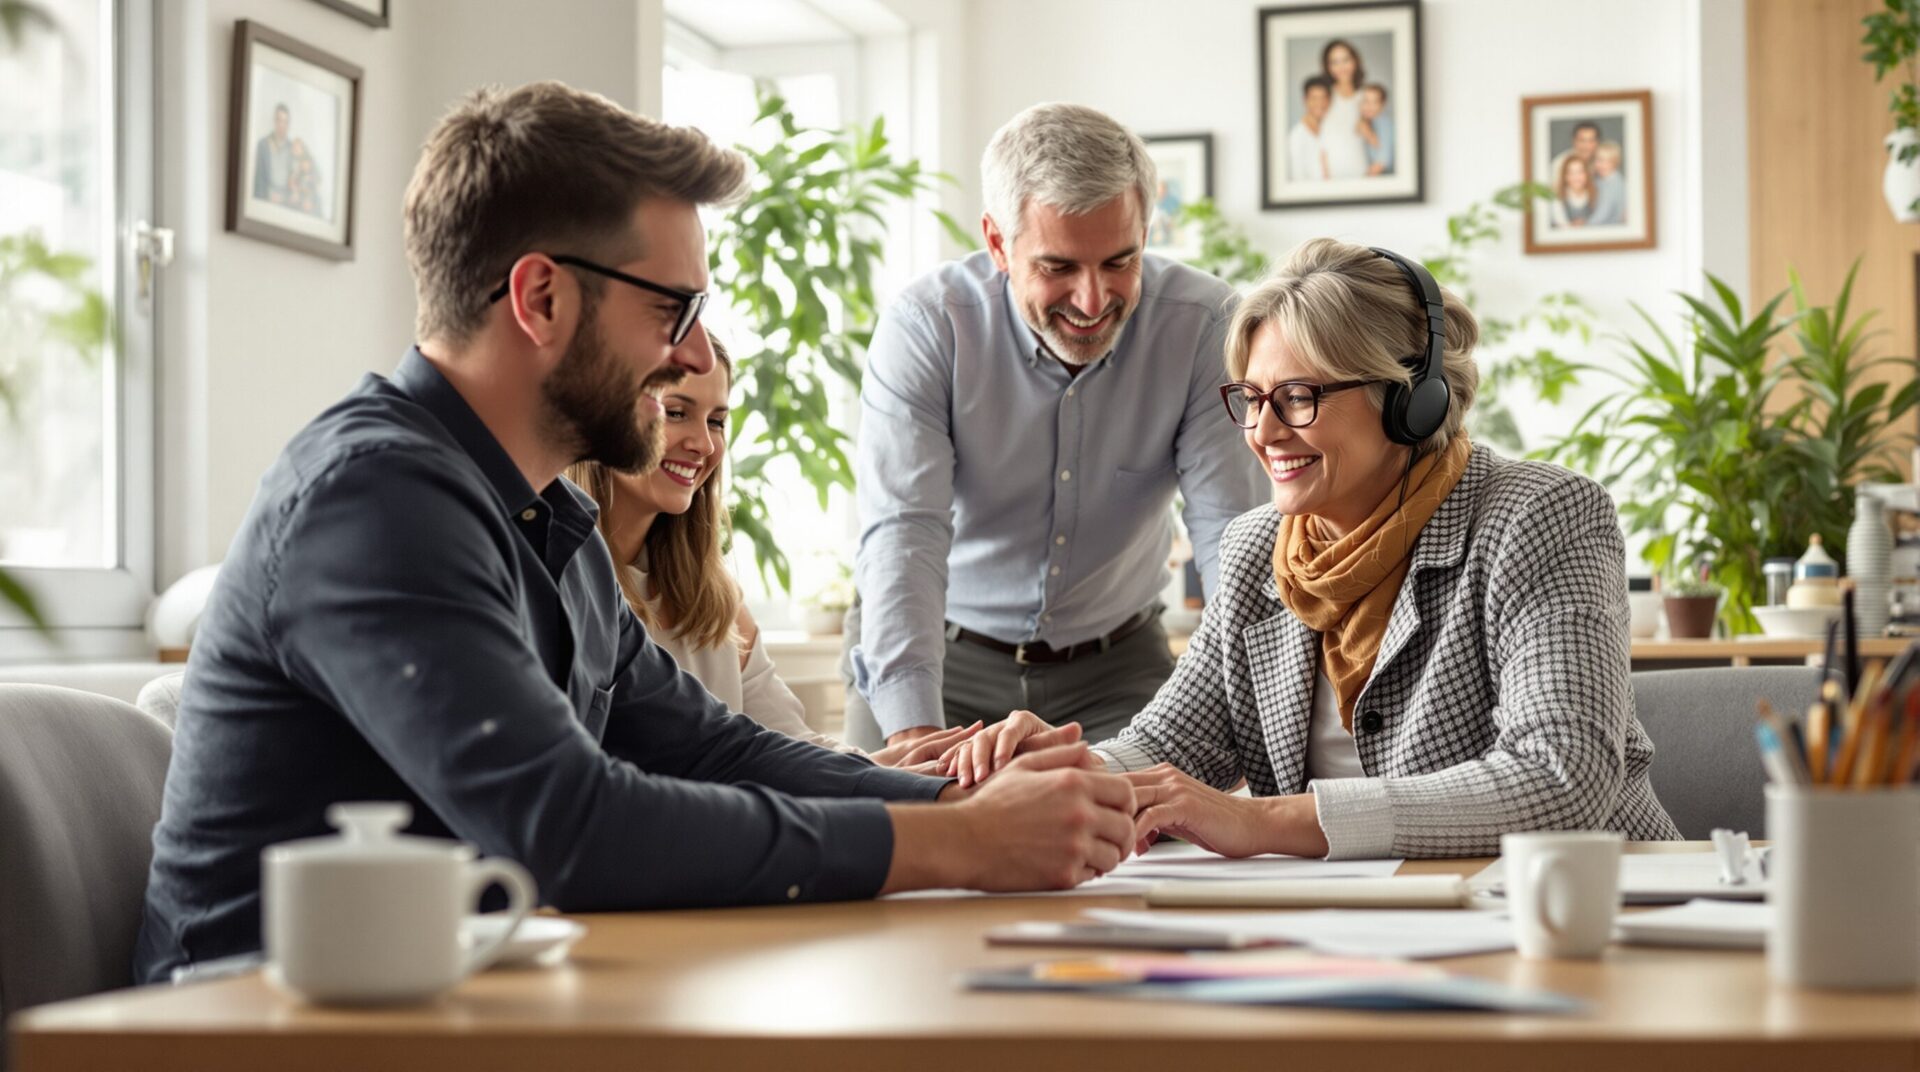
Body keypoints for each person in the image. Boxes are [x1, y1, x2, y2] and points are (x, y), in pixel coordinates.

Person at [133, 82, 1139, 984]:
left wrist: (953, 795)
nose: (695, 350)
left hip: (437, 995)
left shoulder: (543, 516)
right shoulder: (376, 500)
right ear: (541, 297)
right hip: (254, 1022)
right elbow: (570, 828)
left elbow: (706, 746)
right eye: (673, 307)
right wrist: (960, 845)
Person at [941, 237, 1681, 860]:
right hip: (1354, 925)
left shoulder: (1538, 517)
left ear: (1408, 401)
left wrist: (1264, 821)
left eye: (1299, 397)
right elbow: (1174, 742)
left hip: (1573, 919)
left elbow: (1560, 779)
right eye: (1252, 399)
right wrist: (1069, 767)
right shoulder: (1257, 547)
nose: (1262, 433)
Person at [844, 101, 1265, 757]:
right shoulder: (928, 326)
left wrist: (1258, 708)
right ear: (996, 244)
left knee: (1149, 842)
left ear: (1146, 232)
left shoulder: (1204, 325)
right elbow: (905, 533)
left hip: (1117, 670)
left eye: (1119, 261)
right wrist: (916, 735)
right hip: (940, 655)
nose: (1094, 302)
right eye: (1058, 267)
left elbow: (1233, 537)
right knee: (890, 839)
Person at [564, 339, 979, 769]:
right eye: (677, 413)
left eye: (717, 421)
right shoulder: (554, 584)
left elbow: (786, 744)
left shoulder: (717, 603)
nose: (704, 444)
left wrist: (887, 768)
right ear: (604, 411)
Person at [252, 102, 322, 217]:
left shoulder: (293, 148)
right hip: (267, 201)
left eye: (285, 122)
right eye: (279, 120)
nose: (282, 125)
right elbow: (258, 182)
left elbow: (309, 172)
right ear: (274, 121)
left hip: (288, 203)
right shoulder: (263, 145)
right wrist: (268, 196)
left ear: (289, 124)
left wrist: (299, 195)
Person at [1317, 40, 1370, 180]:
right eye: (1334, 62)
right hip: (1330, 171)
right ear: (1328, 67)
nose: (1341, 67)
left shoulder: (1365, 96)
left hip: (1361, 169)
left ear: (1355, 61)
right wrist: (1325, 175)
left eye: (1346, 60)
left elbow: (1375, 138)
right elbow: (1319, 139)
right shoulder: (1324, 96)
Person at [1289, 76, 1334, 182]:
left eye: (1324, 98)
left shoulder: (1328, 131)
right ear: (1305, 100)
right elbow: (1297, 179)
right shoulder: (1296, 137)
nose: (1320, 103)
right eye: (1314, 98)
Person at [1357, 83, 1394, 177]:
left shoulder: (1384, 123)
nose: (1368, 106)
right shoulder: (1368, 122)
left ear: (1383, 104)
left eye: (1374, 102)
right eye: (1365, 101)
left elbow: (1382, 162)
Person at [1551, 154, 1597, 229]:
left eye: (1580, 172)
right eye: (1571, 173)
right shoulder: (1558, 197)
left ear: (1586, 174)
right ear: (1565, 176)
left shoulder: (1593, 193)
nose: (1576, 177)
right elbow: (1561, 224)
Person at [1589, 140, 1626, 226]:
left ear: (1615, 162)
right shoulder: (1601, 179)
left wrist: (1583, 227)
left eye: (1603, 160)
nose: (1597, 164)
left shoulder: (1614, 184)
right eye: (1596, 159)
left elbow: (1601, 216)